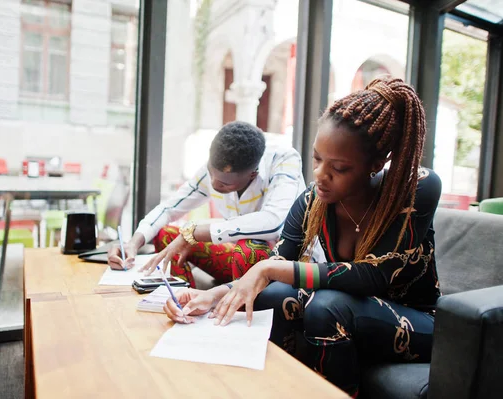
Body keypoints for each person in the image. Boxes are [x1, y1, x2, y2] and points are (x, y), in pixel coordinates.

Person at [163, 78, 441, 396]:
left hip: (419, 320)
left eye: (339, 167)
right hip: (351, 312)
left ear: (375, 165)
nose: (320, 176)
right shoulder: (313, 200)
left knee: (327, 305)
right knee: (271, 296)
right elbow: (277, 262)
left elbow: (372, 276)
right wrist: (211, 298)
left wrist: (269, 270)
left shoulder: (416, 186)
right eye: (317, 159)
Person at [108, 121, 305, 288]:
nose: (213, 183)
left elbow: (274, 222)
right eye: (211, 173)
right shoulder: (215, 170)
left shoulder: (283, 160)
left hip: (277, 269)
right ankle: (184, 300)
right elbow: (169, 209)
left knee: (249, 248)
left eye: (225, 183)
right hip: (233, 263)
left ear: (252, 174)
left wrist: (196, 232)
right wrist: (133, 243)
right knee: (167, 235)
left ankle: (235, 313)